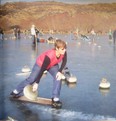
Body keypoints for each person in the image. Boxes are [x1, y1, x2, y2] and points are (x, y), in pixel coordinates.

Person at [10, 39, 67, 108]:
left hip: (52, 65)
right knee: (32, 79)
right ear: (57, 48)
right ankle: (16, 91)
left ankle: (55, 98)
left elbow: (64, 61)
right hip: (40, 64)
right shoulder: (49, 56)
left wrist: (60, 71)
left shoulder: (63, 52)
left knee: (58, 77)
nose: (64, 50)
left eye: (65, 48)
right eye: (62, 49)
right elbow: (42, 70)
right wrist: (37, 83)